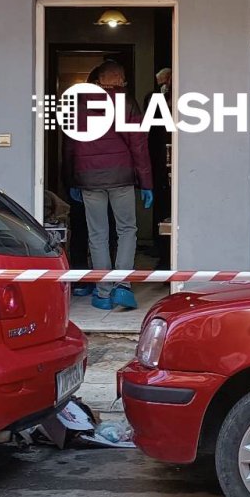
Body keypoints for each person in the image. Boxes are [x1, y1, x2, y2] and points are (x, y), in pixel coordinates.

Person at [65, 61, 153, 311]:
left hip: (89, 179)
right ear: (119, 80)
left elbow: (70, 145)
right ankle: (122, 286)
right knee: (127, 230)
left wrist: (71, 179)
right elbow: (138, 145)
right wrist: (146, 183)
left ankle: (103, 293)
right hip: (121, 178)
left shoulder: (78, 104)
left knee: (97, 234)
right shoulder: (127, 103)